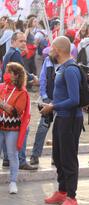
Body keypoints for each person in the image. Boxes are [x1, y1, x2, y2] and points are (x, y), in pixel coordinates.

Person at [40, 36, 83, 205]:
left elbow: (75, 99)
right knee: (58, 157)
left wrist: (53, 106)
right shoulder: (62, 67)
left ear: (58, 50)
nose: (50, 51)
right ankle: (62, 190)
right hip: (61, 117)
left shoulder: (71, 69)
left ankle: (72, 197)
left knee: (68, 159)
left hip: (70, 119)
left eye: (52, 48)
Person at [1, 31, 38, 171]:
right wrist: (33, 78)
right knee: (23, 127)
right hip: (15, 95)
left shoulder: (8, 53)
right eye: (21, 41)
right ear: (13, 41)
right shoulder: (15, 54)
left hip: (8, 95)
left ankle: (6, 159)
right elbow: (20, 74)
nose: (24, 43)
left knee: (6, 127)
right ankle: (21, 160)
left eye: (24, 41)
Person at [0, 62, 30, 194]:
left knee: (12, 155)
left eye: (9, 71)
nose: (6, 74)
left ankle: (13, 182)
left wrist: (1, 104)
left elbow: (15, 112)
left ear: (16, 75)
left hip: (12, 129)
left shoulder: (22, 92)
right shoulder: (2, 87)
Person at [29, 55, 57, 165]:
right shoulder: (48, 60)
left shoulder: (68, 61)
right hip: (48, 99)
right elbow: (43, 78)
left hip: (62, 101)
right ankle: (35, 155)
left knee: (59, 130)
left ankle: (56, 156)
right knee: (43, 128)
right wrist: (45, 97)